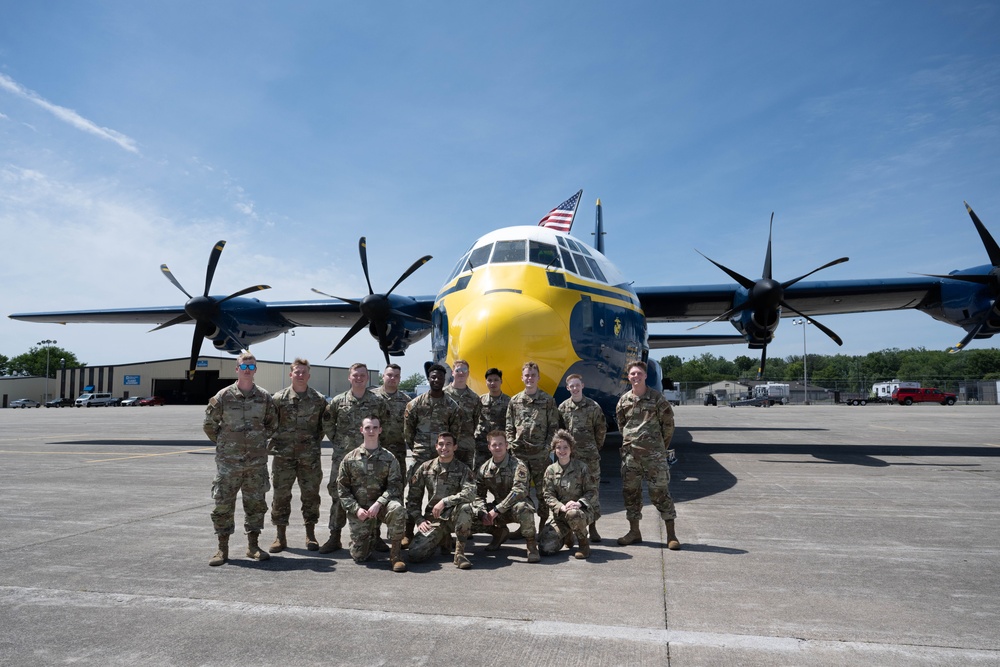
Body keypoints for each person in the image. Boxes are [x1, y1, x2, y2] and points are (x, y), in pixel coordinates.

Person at [203, 351, 277, 566]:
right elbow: (209, 425)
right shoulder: (223, 396)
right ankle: (222, 548)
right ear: (237, 369)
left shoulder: (264, 397)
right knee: (223, 505)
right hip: (229, 464)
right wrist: (227, 444)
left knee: (255, 504)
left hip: (256, 463)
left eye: (251, 367)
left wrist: (257, 442)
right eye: (243, 367)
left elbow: (272, 424)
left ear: (255, 370)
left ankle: (253, 546)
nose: (247, 370)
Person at [319, 363, 389, 554]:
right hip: (344, 459)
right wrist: (338, 442)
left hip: (370, 459)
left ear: (367, 378)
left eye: (362, 375)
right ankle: (334, 537)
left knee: (372, 496)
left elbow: (385, 423)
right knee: (338, 496)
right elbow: (327, 422)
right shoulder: (338, 401)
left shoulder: (378, 401)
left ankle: (375, 537)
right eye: (355, 375)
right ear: (349, 378)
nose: (359, 378)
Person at [616, 360, 681, 550]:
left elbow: (668, 426)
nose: (635, 377)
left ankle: (671, 534)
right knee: (631, 494)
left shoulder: (658, 399)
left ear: (645, 376)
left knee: (660, 493)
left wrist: (658, 447)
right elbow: (622, 426)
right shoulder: (623, 401)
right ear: (628, 377)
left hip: (654, 457)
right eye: (632, 374)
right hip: (630, 457)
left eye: (639, 373)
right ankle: (634, 532)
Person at [266, 358, 328, 553]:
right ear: (291, 374)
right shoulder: (278, 398)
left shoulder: (318, 399)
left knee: (310, 496)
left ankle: (310, 535)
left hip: (309, 457)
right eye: (297, 372)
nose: (300, 375)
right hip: (283, 457)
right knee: (280, 496)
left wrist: (310, 444)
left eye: (303, 372)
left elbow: (323, 427)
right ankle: (280, 536)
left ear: (308, 375)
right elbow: (269, 423)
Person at [336, 416, 407, 572]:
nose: (371, 431)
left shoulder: (389, 458)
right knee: (360, 556)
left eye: (375, 427)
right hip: (361, 510)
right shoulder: (349, 459)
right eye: (368, 427)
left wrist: (379, 503)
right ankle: (370, 536)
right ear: (361, 430)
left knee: (398, 509)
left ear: (380, 430)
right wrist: (356, 509)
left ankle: (395, 555)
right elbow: (343, 490)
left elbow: (395, 486)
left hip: (381, 507)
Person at [402, 363, 461, 546]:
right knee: (414, 494)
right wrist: (417, 447)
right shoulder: (415, 404)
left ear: (445, 380)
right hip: (421, 456)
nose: (436, 380)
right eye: (433, 377)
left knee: (443, 493)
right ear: (428, 378)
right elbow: (408, 431)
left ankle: (444, 532)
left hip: (442, 458)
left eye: (440, 378)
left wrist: (447, 451)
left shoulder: (452, 406)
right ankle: (408, 531)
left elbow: (455, 432)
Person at [405, 432, 476, 569]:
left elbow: (470, 493)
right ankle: (443, 539)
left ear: (455, 447)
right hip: (435, 519)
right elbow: (413, 499)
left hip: (456, 516)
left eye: (448, 444)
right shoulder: (425, 468)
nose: (444, 447)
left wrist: (445, 501)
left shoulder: (463, 469)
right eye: (441, 444)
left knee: (466, 508)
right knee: (415, 554)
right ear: (436, 446)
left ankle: (459, 554)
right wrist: (419, 520)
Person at [506, 361, 559, 532]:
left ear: (538, 378)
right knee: (521, 491)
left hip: (540, 455)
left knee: (544, 493)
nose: (530, 378)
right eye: (527, 375)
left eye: (533, 375)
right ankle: (525, 527)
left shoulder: (547, 401)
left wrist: (546, 448)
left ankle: (543, 525)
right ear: (522, 378)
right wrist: (512, 444)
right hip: (520, 455)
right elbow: (509, 426)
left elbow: (553, 428)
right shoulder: (515, 401)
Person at [473, 430, 539, 563]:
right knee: (470, 513)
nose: (498, 447)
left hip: (515, 507)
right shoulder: (484, 469)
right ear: (489, 447)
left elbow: (519, 491)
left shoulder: (518, 465)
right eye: (494, 445)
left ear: (507, 445)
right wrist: (482, 512)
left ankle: (531, 545)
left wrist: (497, 510)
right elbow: (478, 495)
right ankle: (499, 533)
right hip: (498, 511)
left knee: (524, 508)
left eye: (501, 444)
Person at [557, 374, 607, 542]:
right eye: (572, 386)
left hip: (590, 457)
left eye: (577, 385)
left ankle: (592, 527)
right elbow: (561, 434)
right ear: (568, 388)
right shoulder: (563, 408)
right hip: (572, 459)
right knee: (570, 491)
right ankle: (570, 531)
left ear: (582, 385)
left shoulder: (593, 406)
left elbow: (601, 430)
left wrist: (594, 447)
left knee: (592, 492)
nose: (575, 388)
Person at [539, 430, 599, 559]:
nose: (562, 450)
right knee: (545, 549)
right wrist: (561, 507)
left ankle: (583, 544)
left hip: (580, 512)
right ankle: (567, 535)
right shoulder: (550, 470)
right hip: (560, 514)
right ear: (554, 449)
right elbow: (548, 495)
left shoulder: (582, 467)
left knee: (573, 514)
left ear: (571, 448)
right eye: (558, 447)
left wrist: (578, 503)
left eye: (565, 447)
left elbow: (592, 491)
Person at [373, 363, 410, 480]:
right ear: (383, 376)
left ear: (399, 378)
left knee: (398, 483)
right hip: (374, 450)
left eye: (396, 376)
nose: (392, 378)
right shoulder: (371, 397)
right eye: (389, 375)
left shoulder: (406, 401)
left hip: (397, 451)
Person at [443, 359, 481, 469]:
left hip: (466, 445)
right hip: (446, 445)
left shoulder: (474, 398)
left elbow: (476, 420)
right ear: (453, 372)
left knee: (466, 477)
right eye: (458, 370)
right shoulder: (444, 395)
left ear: (468, 373)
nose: (461, 373)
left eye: (464, 370)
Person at [474, 367, 510, 470]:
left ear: (501, 381)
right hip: (482, 444)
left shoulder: (509, 401)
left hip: (500, 446)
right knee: (479, 473)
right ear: (486, 382)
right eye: (489, 380)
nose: (492, 383)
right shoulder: (480, 400)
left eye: (495, 380)